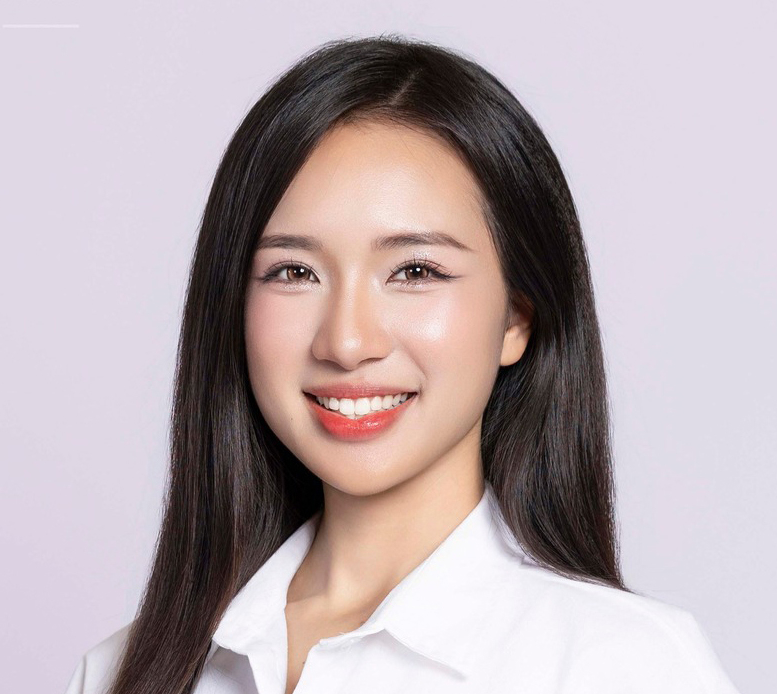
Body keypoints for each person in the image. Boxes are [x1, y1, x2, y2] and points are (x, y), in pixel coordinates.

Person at [62, 34, 741, 694]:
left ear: (516, 318)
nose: (346, 341)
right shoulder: (121, 673)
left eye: (415, 271)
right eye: (294, 271)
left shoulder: (621, 667)